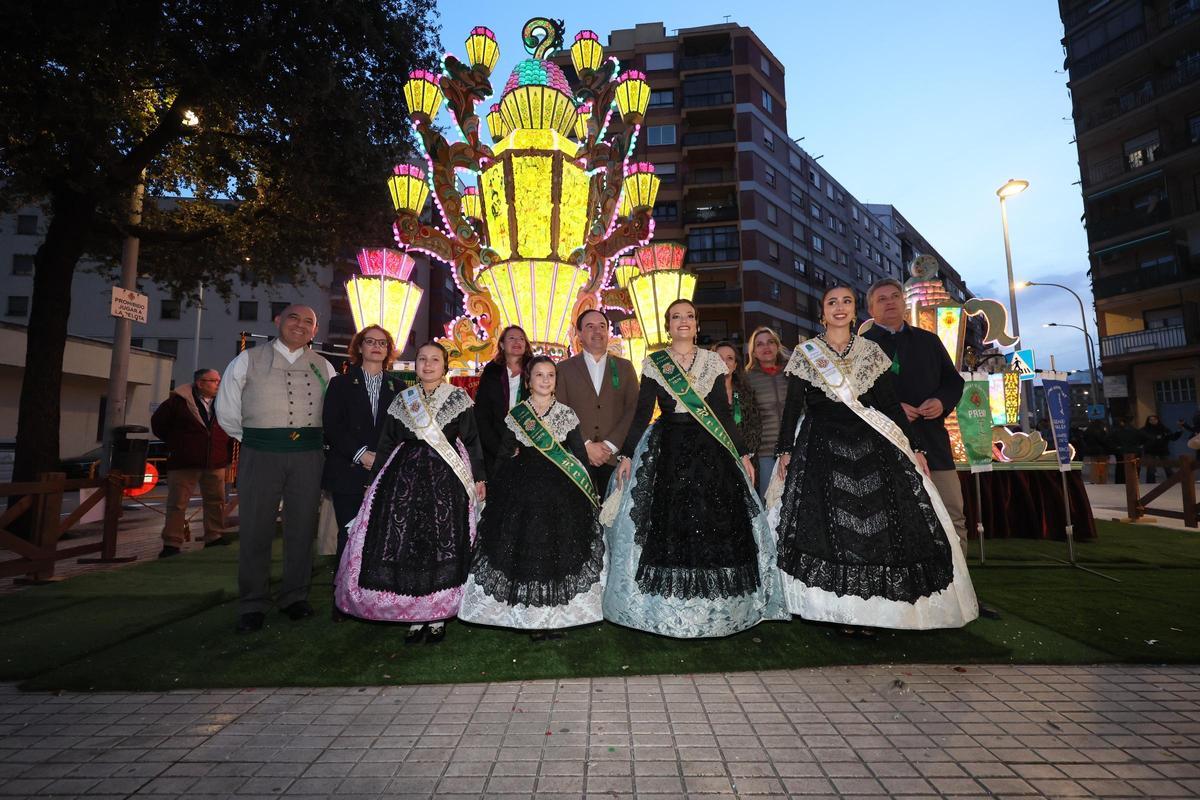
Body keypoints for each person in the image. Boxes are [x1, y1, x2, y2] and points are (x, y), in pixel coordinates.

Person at [771, 286, 978, 632]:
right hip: (821, 445)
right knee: (829, 528)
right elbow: (793, 406)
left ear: (855, 312)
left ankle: (871, 613)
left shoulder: (871, 351)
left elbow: (890, 405)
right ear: (822, 312)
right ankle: (838, 612)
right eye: (832, 303)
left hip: (869, 445)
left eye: (846, 302)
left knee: (873, 527)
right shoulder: (806, 353)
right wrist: (784, 450)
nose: (839, 308)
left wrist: (915, 448)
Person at [603, 299, 788, 638]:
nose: (683, 322)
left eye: (689, 316)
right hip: (669, 450)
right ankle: (669, 606)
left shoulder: (712, 361)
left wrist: (743, 453)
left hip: (709, 451)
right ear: (667, 325)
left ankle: (715, 609)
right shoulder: (654, 363)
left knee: (713, 522)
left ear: (697, 324)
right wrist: (627, 455)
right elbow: (642, 413)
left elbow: (719, 409)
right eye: (676, 317)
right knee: (671, 522)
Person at [335, 342, 485, 643]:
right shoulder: (403, 399)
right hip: (404, 481)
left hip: (447, 482)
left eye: (434, 360)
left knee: (444, 543)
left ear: (445, 366)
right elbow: (387, 443)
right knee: (408, 543)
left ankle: (440, 613)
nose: (428, 365)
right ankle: (414, 614)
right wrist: (373, 482)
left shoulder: (458, 398)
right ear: (415, 365)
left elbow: (472, 441)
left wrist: (480, 478)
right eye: (422, 359)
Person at [458, 356, 604, 637]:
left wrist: (590, 489)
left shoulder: (567, 414)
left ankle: (556, 615)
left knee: (559, 552)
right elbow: (503, 453)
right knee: (528, 553)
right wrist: (495, 486)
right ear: (528, 381)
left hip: (561, 492)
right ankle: (533, 616)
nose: (545, 380)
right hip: (523, 490)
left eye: (550, 375)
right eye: (539, 375)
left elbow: (579, 456)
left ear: (556, 381)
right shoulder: (517, 415)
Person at [215, 304, 337, 634]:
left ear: (315, 330)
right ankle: (253, 602)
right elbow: (225, 410)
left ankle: (295, 596)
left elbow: (335, 415)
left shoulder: (324, 367)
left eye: (308, 322)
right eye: (293, 318)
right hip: (261, 453)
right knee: (256, 528)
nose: (300, 325)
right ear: (278, 322)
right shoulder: (247, 360)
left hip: (309, 455)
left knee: (301, 529)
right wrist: (258, 439)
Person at [862, 278, 968, 546]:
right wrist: (892, 411)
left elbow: (953, 381)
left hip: (934, 444)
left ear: (904, 303)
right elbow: (853, 398)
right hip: (884, 446)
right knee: (894, 519)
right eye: (881, 299)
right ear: (870, 309)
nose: (890, 302)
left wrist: (942, 401)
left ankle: (960, 583)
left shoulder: (928, 341)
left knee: (952, 514)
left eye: (895, 296)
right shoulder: (859, 348)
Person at [321, 325, 401, 620]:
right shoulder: (340, 384)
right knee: (350, 533)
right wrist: (361, 454)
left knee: (380, 536)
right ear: (359, 347)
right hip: (348, 470)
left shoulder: (398, 388)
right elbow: (333, 426)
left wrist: (381, 459)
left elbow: (401, 432)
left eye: (382, 342)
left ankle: (375, 598)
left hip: (384, 473)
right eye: (370, 342)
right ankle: (342, 599)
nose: (376, 347)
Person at [555, 309, 639, 496]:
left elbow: (633, 409)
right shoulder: (563, 369)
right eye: (590, 327)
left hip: (615, 460)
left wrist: (611, 445)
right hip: (576, 459)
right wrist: (584, 445)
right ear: (578, 333)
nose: (597, 331)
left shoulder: (625, 367)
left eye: (602, 326)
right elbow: (559, 410)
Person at [151, 368, 232, 558]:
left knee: (216, 501)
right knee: (177, 503)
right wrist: (179, 444)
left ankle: (214, 536)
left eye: (219, 380)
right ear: (200, 383)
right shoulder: (177, 403)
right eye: (214, 381)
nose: (218, 384)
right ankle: (172, 542)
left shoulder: (224, 403)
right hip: (184, 461)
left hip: (214, 461)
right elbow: (159, 424)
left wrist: (224, 451)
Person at [475, 325, 532, 478]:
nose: (517, 342)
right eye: (511, 338)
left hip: (530, 444)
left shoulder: (534, 369)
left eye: (521, 338)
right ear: (501, 344)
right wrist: (499, 447)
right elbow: (482, 414)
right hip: (496, 446)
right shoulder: (491, 371)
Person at [742, 326, 789, 496]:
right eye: (759, 344)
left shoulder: (793, 372)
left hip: (794, 448)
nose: (766, 347)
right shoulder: (746, 378)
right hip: (765, 452)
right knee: (769, 501)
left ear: (777, 346)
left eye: (770, 342)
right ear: (753, 352)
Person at [713, 341, 761, 458]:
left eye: (730, 358)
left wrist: (745, 455)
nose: (724, 362)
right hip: (716, 460)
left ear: (735, 365)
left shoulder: (747, 394)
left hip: (746, 460)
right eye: (719, 358)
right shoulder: (703, 396)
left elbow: (755, 427)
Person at [1141, 414, 1181, 483]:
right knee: (1151, 468)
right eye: (1151, 420)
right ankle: (1150, 483)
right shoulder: (1144, 430)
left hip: (1162, 450)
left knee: (1167, 466)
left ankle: (1173, 481)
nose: (1153, 421)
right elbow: (1141, 439)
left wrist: (1179, 431)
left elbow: (1173, 437)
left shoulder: (1164, 429)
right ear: (1148, 421)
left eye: (1155, 419)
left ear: (1158, 420)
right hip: (1150, 451)